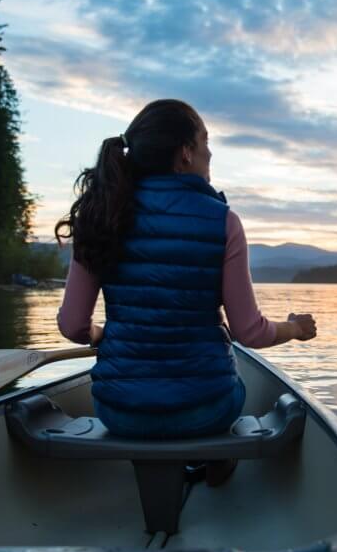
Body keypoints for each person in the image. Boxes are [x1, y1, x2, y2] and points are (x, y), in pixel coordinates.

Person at [54, 99, 317, 474]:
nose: (211, 153)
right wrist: (294, 328)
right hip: (206, 410)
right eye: (206, 142)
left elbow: (72, 326)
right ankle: (216, 457)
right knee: (229, 377)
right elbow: (249, 331)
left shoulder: (101, 214)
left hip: (118, 412)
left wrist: (99, 333)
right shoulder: (224, 222)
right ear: (185, 154)